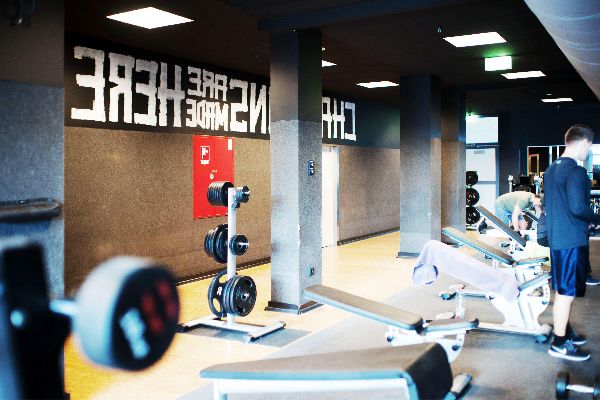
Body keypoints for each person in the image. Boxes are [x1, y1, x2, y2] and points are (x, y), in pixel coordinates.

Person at [544, 124, 600, 361]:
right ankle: (559, 343)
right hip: (571, 241)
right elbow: (578, 208)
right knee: (566, 293)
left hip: (558, 238)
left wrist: (586, 222)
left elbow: (562, 206)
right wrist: (596, 219)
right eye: (589, 146)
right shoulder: (575, 171)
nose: (588, 151)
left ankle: (564, 331)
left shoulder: (551, 169)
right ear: (584, 142)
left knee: (563, 290)